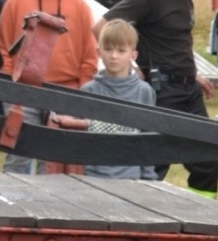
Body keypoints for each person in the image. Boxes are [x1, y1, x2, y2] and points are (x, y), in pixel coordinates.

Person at [94, 0, 218, 195]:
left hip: (189, 92)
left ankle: (201, 222)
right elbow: (101, 27)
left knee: (206, 163)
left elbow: (173, 43)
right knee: (154, 162)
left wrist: (192, 75)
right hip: (162, 94)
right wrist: (131, 67)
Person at [0, 0, 98, 173]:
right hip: (23, 91)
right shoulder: (17, 2)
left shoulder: (80, 7)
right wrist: (10, 82)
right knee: (18, 154)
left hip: (65, 93)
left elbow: (90, 54)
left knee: (53, 160)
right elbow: (3, 46)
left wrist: (80, 90)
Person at [47, 19, 158, 180]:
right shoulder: (88, 91)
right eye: (108, 49)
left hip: (131, 179)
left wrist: (148, 177)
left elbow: (149, 139)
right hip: (92, 176)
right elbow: (77, 139)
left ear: (133, 55)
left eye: (121, 51)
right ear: (99, 53)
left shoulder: (144, 92)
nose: (113, 56)